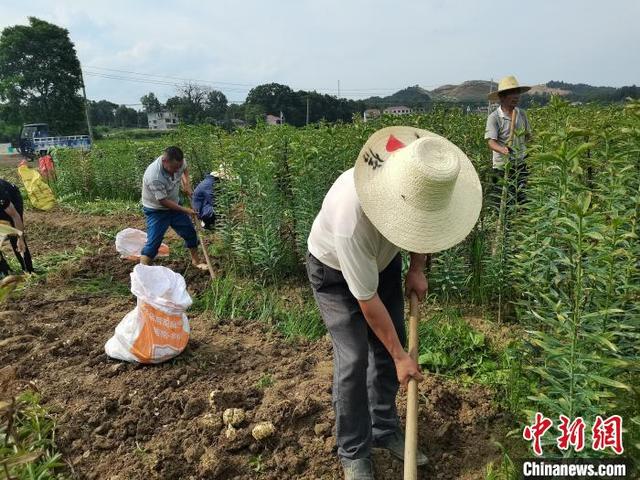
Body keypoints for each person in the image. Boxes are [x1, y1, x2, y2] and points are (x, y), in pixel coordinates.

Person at [306, 127, 482, 479]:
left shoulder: (416, 180)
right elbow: (366, 300)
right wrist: (402, 357)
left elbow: (426, 223)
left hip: (382, 263)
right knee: (355, 356)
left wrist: (416, 268)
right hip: (335, 272)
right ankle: (354, 450)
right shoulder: (351, 219)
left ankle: (384, 428)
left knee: (392, 340)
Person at [140, 146, 207, 269]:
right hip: (157, 210)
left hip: (175, 204)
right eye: (173, 168)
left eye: (178, 167)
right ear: (164, 161)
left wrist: (187, 183)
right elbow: (163, 201)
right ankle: (142, 271)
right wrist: (185, 210)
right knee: (154, 243)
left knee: (190, 232)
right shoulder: (154, 176)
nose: (177, 171)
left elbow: (184, 169)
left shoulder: (178, 162)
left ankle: (196, 262)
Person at [485, 75, 532, 206]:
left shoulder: (522, 114)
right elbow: (491, 142)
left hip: (520, 163)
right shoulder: (494, 117)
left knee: (521, 199)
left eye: (517, 93)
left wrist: (532, 151)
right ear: (502, 97)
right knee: (502, 201)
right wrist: (502, 149)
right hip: (502, 166)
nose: (516, 96)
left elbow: (528, 137)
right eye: (512, 93)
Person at [0, 178, 34, 276]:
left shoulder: (1, 194)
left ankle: (28, 270)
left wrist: (21, 239)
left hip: (12, 200)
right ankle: (4, 270)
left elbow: (15, 216)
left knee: (15, 236)